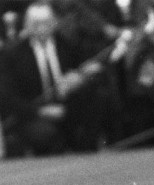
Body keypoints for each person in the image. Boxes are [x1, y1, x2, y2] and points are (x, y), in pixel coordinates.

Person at [0, 1, 105, 157]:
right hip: (32, 114)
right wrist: (41, 111)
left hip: (67, 108)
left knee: (93, 112)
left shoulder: (68, 45)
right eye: (36, 24)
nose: (41, 28)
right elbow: (8, 96)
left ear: (54, 23)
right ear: (27, 26)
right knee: (45, 134)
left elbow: (90, 68)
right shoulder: (13, 54)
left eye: (46, 23)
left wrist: (81, 78)